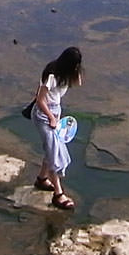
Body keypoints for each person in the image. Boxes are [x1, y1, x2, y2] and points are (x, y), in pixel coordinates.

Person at [31, 45, 83, 210]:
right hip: (44, 114)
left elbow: (78, 82)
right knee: (55, 152)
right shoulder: (51, 75)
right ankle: (58, 195)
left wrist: (76, 71)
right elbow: (40, 99)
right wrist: (52, 118)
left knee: (51, 148)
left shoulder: (66, 75)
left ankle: (41, 179)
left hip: (56, 111)